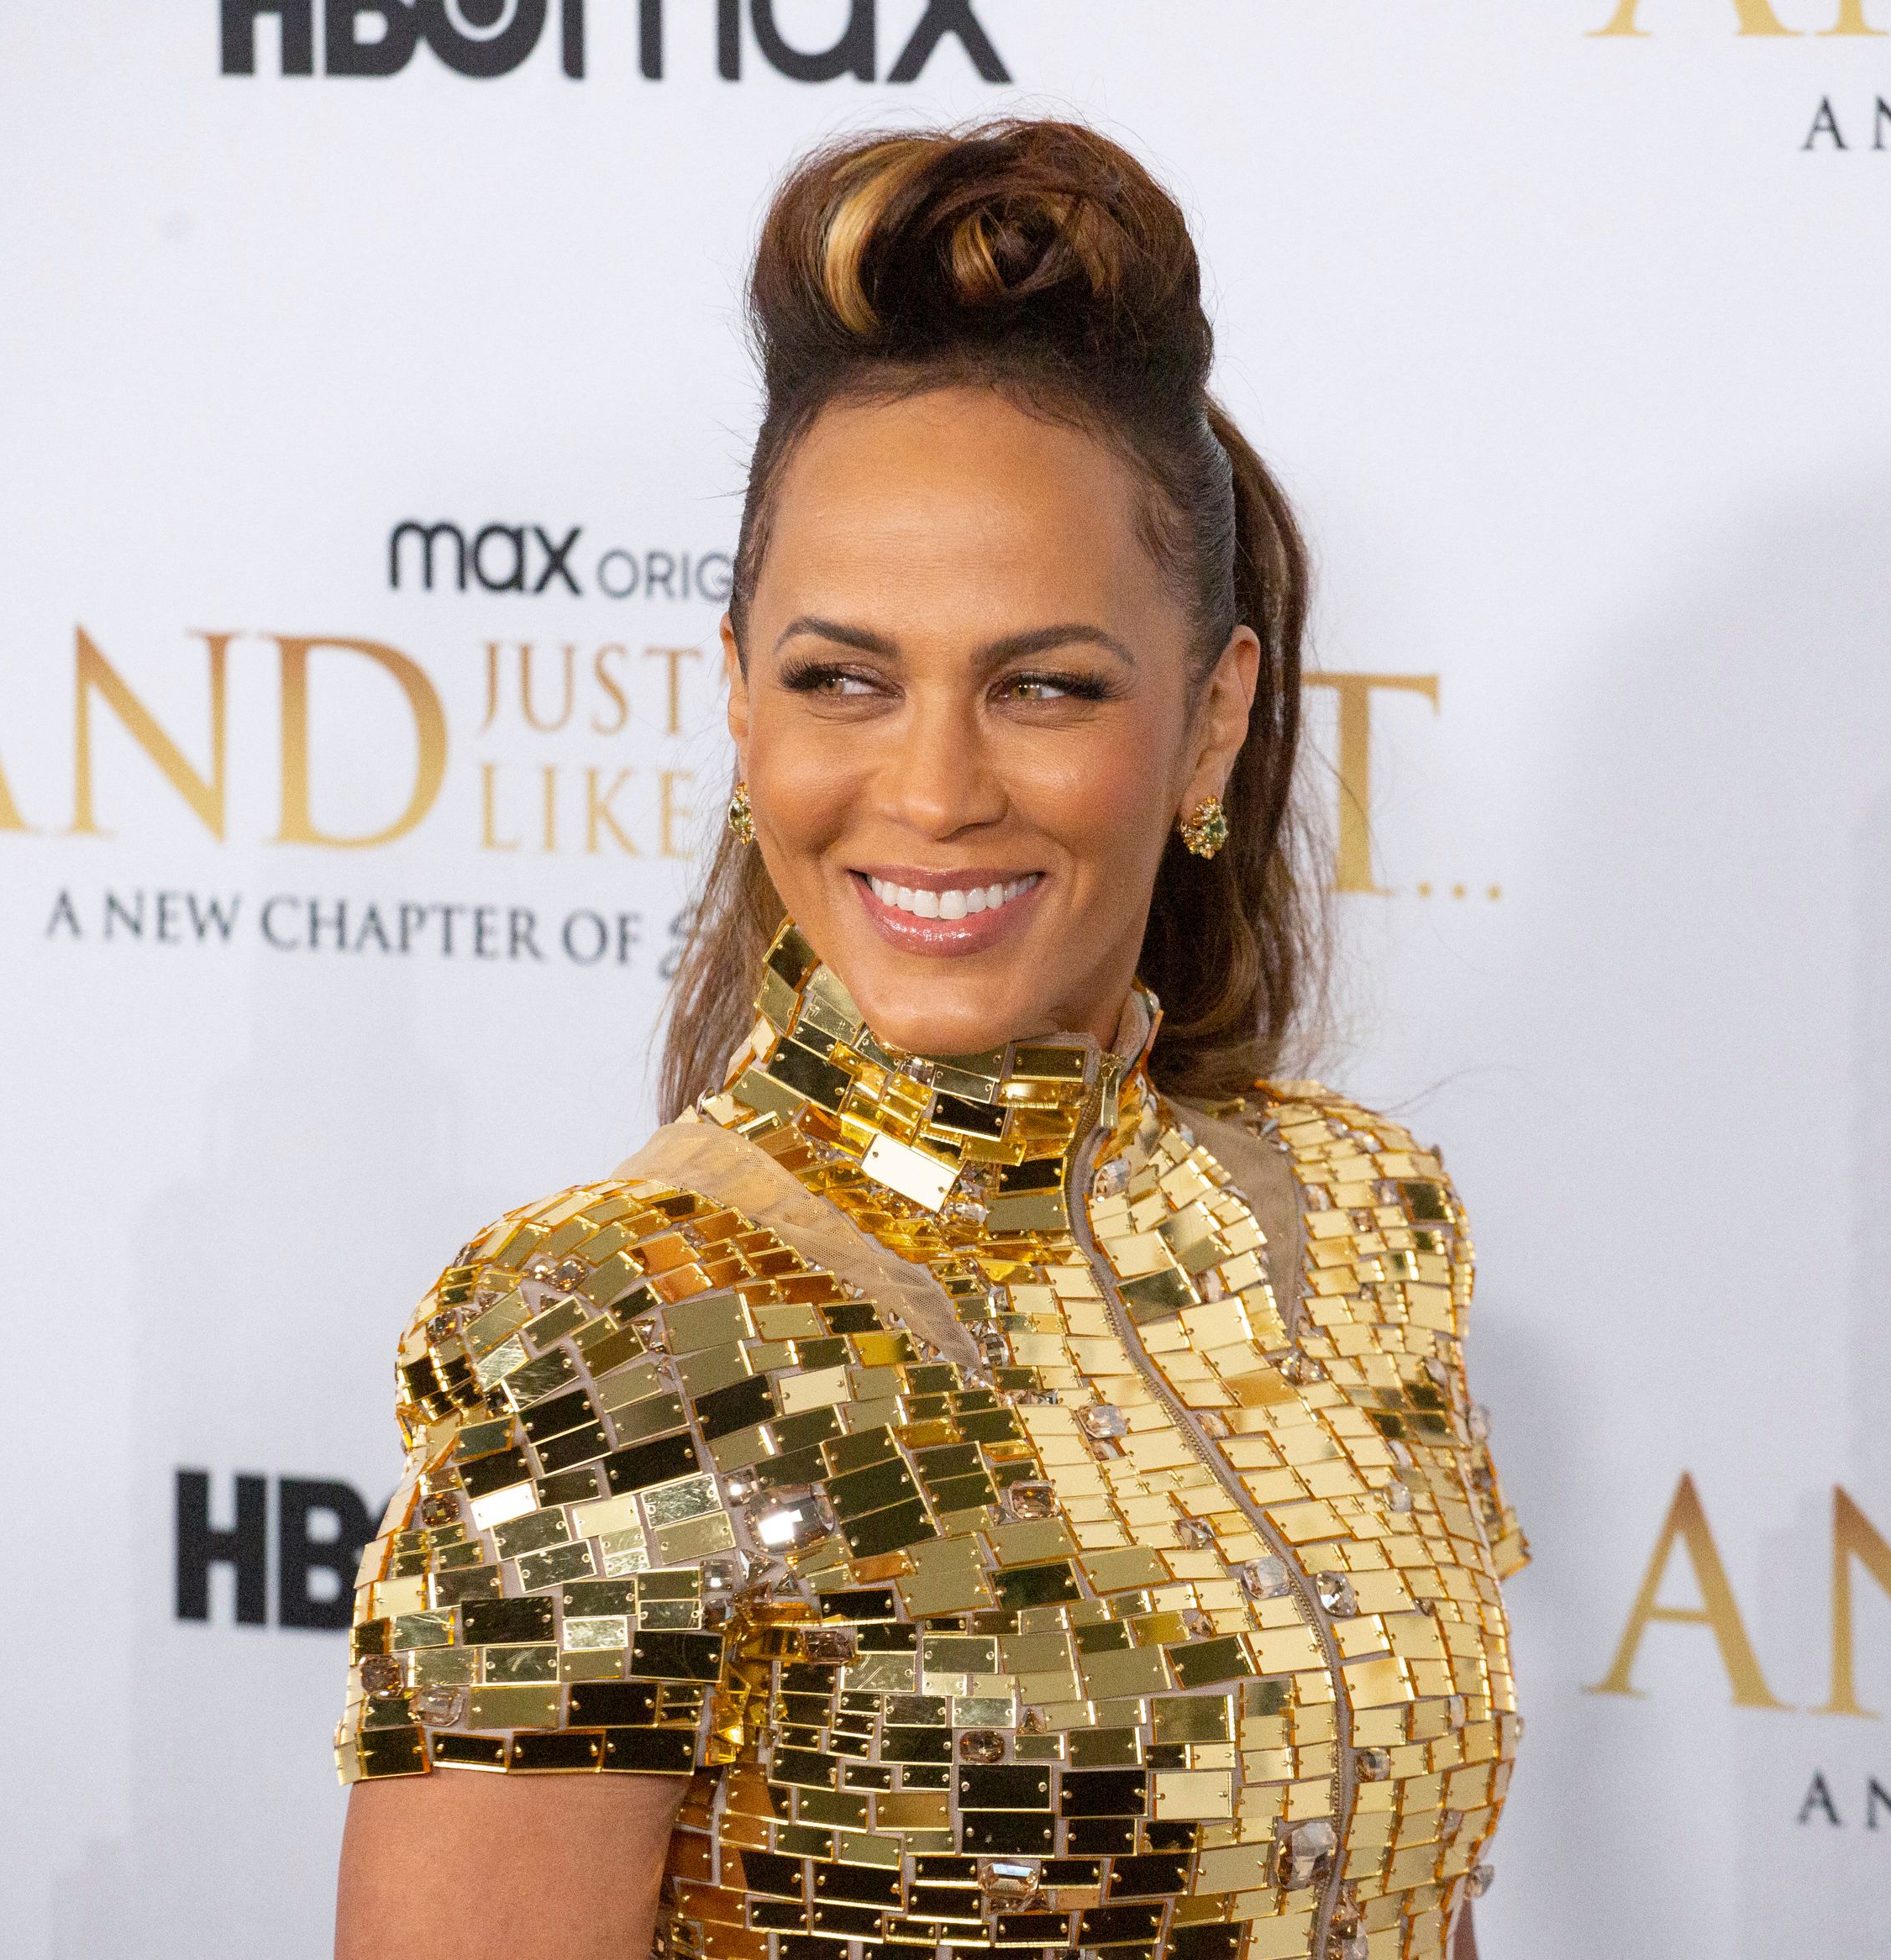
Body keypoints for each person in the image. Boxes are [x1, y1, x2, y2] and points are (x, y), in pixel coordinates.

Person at [331, 118, 1527, 1960]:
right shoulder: (618, 1347)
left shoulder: (1366, 1229)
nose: (937, 787)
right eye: (844, 679)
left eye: (1044, 684)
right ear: (741, 704)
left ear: (1212, 721)